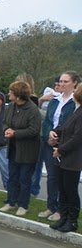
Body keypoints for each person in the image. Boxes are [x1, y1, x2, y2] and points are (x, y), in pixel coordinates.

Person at [37, 71, 78, 222]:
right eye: (60, 81)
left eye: (65, 81)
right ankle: (51, 206)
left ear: (74, 83)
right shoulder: (55, 100)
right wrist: (50, 135)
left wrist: (59, 139)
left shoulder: (75, 102)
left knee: (63, 179)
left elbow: (71, 126)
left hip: (66, 145)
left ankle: (62, 210)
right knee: (52, 177)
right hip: (50, 142)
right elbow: (48, 120)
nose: (61, 84)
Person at [0, 81, 42, 216]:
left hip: (28, 150)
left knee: (24, 179)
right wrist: (7, 129)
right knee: (12, 176)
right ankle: (11, 202)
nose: (9, 94)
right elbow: (5, 122)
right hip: (13, 148)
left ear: (18, 95)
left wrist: (15, 133)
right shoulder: (11, 106)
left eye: (11, 92)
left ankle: (23, 205)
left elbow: (34, 130)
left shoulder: (33, 110)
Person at [48, 83, 82, 232]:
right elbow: (65, 127)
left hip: (73, 159)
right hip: (64, 159)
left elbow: (77, 138)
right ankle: (64, 217)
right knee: (62, 189)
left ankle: (72, 221)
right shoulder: (76, 111)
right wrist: (54, 132)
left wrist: (60, 150)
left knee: (70, 190)